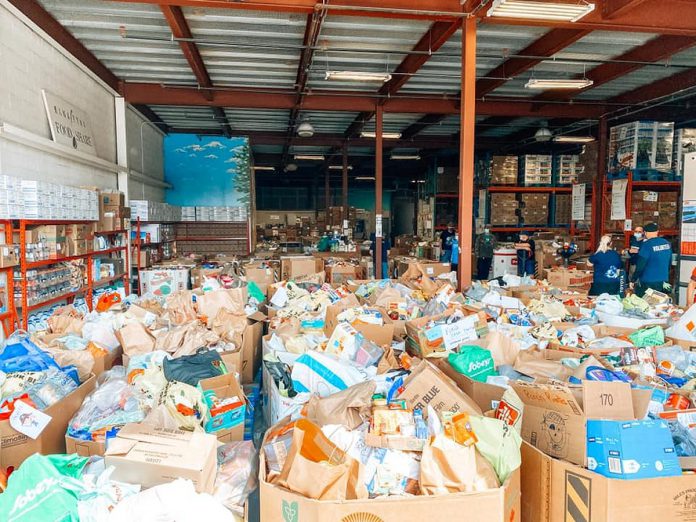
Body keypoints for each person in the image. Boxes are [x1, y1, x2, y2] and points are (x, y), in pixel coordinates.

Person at [631, 222, 672, 297]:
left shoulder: (646, 245)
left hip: (648, 282)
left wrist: (633, 279)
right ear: (657, 232)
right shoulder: (667, 243)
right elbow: (669, 263)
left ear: (645, 233)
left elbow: (640, 265)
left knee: (645, 304)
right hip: (663, 281)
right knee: (660, 304)